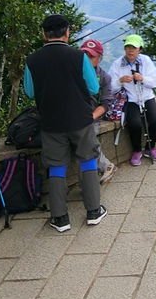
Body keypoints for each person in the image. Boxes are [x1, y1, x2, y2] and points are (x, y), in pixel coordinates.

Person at [23, 14, 106, 233]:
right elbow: (94, 88)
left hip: (51, 122)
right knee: (88, 160)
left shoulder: (32, 60)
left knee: (56, 166)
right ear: (67, 32)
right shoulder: (78, 57)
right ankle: (93, 211)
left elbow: (30, 92)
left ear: (44, 34)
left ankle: (60, 218)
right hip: (80, 118)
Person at [108, 34, 156, 166]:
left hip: (147, 97)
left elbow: (154, 81)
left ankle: (151, 147)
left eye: (134, 47)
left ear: (140, 49)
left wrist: (142, 78)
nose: (130, 50)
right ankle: (137, 150)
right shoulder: (118, 64)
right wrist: (120, 81)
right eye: (128, 47)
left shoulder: (146, 61)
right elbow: (110, 87)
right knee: (135, 124)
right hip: (130, 99)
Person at [78, 38, 117, 184]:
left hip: (92, 117)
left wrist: (91, 116)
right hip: (74, 116)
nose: (87, 59)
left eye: (91, 56)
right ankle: (105, 166)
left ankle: (87, 184)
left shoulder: (104, 77)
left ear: (99, 58)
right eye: (85, 55)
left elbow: (106, 103)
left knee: (85, 138)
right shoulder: (74, 73)